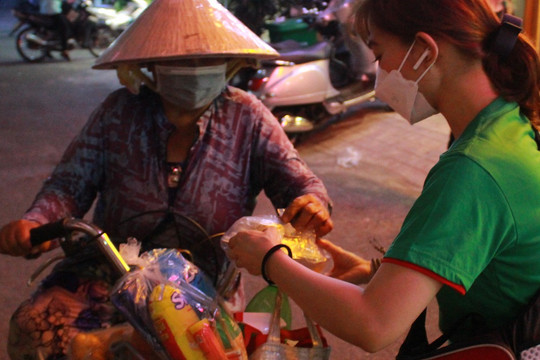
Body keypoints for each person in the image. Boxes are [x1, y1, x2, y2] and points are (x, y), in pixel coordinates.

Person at [0, 0, 334, 358]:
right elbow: (68, 185)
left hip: (204, 286)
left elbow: (299, 184)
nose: (193, 70)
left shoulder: (248, 116)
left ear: (229, 61)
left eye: (205, 59)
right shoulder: (118, 112)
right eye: (179, 60)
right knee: (34, 327)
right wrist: (37, 222)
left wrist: (310, 204)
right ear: (149, 66)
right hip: (109, 272)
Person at [228, 0, 540, 356]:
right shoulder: (506, 125)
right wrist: (376, 271)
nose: (380, 79)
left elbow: (373, 324)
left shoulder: (475, 169)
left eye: (379, 55)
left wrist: (272, 261)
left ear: (424, 50)